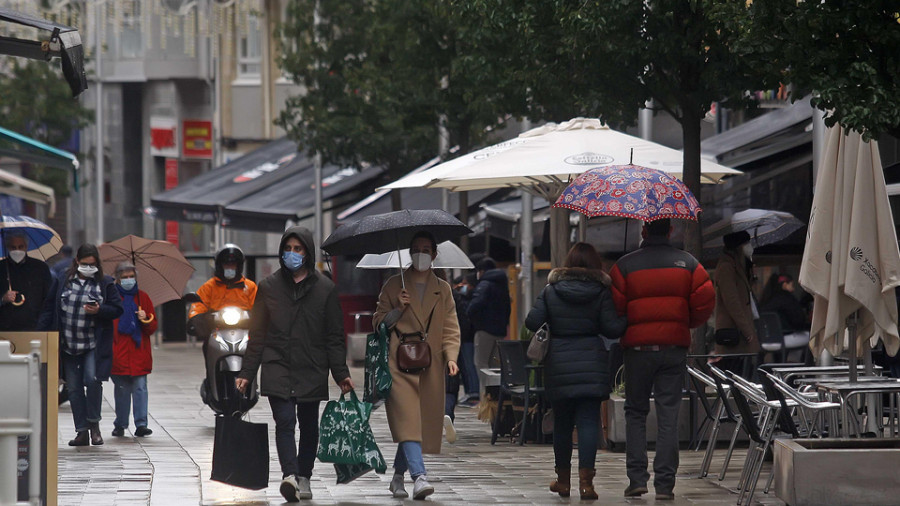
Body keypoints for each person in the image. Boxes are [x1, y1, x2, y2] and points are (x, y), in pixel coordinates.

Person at [235, 227, 353, 502]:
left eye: (298, 249)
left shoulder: (325, 288)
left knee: (309, 426)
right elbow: (258, 333)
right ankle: (289, 475)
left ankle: (304, 476)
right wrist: (247, 373)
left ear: (308, 252)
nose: (292, 254)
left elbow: (334, 336)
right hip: (277, 363)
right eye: (288, 248)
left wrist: (341, 373)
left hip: (312, 365)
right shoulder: (268, 287)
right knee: (285, 421)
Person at [609, 219, 715, 501]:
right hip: (673, 348)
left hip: (637, 352)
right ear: (670, 231)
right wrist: (684, 323)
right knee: (668, 413)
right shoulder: (689, 263)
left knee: (635, 413)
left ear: (644, 232)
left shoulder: (624, 266)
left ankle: (637, 479)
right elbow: (706, 300)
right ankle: (665, 484)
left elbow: (615, 309)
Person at [525, 242, 627, 500]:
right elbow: (612, 329)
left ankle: (563, 482)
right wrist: (625, 315)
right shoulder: (602, 291)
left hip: (559, 362)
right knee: (589, 423)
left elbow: (531, 321)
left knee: (562, 423)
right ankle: (587, 485)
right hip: (591, 361)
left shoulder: (551, 290)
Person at [373, 231, 460, 500]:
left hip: (430, 364)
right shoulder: (392, 285)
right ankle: (419, 476)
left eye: (426, 248)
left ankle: (397, 476)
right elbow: (377, 323)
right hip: (398, 362)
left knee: (415, 423)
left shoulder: (443, 289)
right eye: (416, 248)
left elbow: (450, 326)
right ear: (409, 253)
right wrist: (398, 308)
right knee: (407, 418)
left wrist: (452, 357)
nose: (420, 253)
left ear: (434, 254)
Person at [38, 244, 124, 446]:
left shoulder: (105, 283)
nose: (88, 268)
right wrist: (41, 333)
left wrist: (99, 310)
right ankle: (82, 431)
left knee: (93, 380)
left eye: (92, 264)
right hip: (68, 344)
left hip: (93, 343)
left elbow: (116, 309)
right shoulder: (62, 281)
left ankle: (94, 424)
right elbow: (49, 308)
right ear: (76, 261)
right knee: (74, 389)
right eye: (84, 264)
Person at [110, 262, 158, 438]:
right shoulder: (112, 298)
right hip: (119, 352)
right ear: (118, 279)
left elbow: (152, 327)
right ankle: (120, 424)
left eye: (131, 277)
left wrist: (145, 319)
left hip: (139, 353)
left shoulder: (142, 298)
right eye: (124, 277)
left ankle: (141, 424)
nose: (128, 280)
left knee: (140, 389)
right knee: (121, 391)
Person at [713, 231, 760, 375]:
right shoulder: (727, 267)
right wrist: (747, 330)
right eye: (746, 243)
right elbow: (732, 300)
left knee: (744, 371)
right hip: (733, 332)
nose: (749, 247)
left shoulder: (738, 265)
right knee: (736, 372)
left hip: (740, 330)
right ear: (739, 247)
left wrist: (750, 272)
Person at [188, 243, 257, 340]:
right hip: (216, 333)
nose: (230, 267)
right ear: (219, 266)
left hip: (245, 334)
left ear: (239, 266)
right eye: (226, 264)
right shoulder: (209, 287)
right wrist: (199, 319)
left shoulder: (250, 287)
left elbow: (260, 309)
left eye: (233, 264)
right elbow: (198, 309)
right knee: (208, 347)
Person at [466, 256, 510, 399]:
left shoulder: (485, 284)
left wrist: (472, 318)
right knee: (494, 367)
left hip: (484, 329)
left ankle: (484, 398)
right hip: (499, 330)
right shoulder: (502, 284)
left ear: (482, 271)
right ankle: (494, 399)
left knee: (481, 364)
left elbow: (475, 305)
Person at [0, 231, 53, 331]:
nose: (17, 250)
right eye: (13, 247)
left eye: (21, 247)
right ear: (7, 247)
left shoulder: (40, 268)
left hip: (33, 326)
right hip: (5, 328)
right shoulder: (2, 268)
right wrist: (3, 299)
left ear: (26, 247)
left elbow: (48, 299)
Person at [760, 272, 810, 360]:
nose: (794, 288)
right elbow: (798, 321)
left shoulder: (766, 300)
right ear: (785, 284)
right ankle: (805, 369)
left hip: (766, 340)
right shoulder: (788, 299)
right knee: (812, 337)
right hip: (784, 338)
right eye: (792, 285)